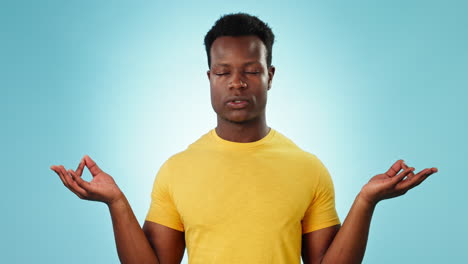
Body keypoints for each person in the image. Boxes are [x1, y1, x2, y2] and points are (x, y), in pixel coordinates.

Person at [50, 13, 438, 264]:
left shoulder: (307, 168)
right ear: (210, 79)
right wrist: (116, 202)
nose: (237, 82)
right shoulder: (176, 170)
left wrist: (366, 201)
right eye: (224, 72)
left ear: (271, 75)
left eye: (251, 70)